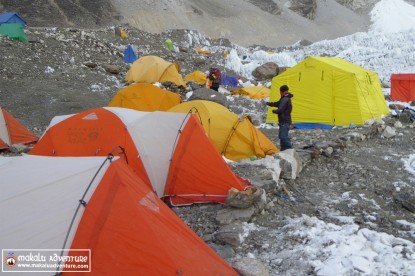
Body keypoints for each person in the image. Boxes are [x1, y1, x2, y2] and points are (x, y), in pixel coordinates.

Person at [266, 85, 293, 151]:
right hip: (284, 120)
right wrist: (269, 103)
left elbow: (280, 109)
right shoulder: (285, 98)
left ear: (282, 92)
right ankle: (283, 150)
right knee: (282, 136)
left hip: (284, 120)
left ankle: (289, 150)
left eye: (280, 92)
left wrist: (274, 111)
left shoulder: (285, 99)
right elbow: (278, 103)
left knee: (283, 137)